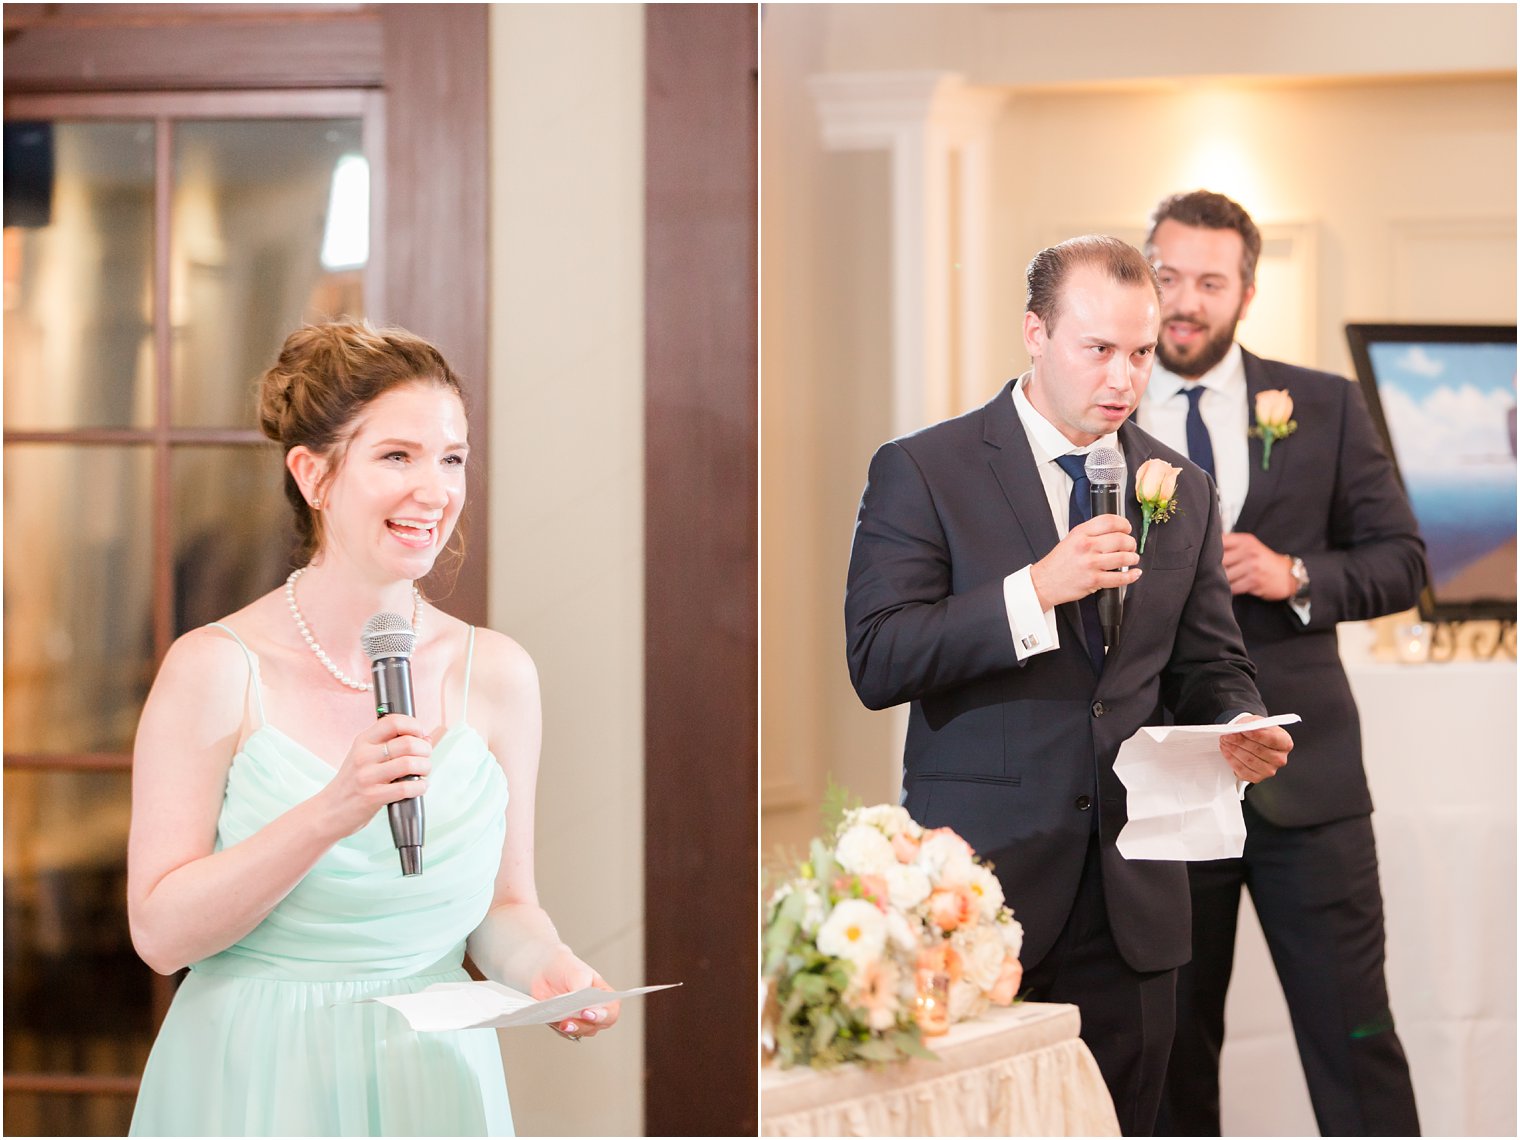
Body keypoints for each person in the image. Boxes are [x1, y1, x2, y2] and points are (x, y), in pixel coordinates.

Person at [844, 234, 1293, 1137]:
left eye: (1141, 352)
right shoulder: (924, 469)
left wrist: (1238, 722)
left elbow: (1209, 661)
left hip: (1135, 900)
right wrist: (1033, 592)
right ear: (1035, 334)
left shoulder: (1183, 488)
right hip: (979, 894)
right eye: (1098, 350)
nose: (1124, 378)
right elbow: (878, 657)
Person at [127, 322, 619, 1136]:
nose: (435, 490)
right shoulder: (213, 669)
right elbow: (160, 934)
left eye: (452, 458)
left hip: (432, 1079)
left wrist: (547, 968)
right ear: (313, 474)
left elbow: (505, 909)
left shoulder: (498, 675)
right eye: (398, 456)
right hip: (254, 1075)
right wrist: (331, 812)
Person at [1140, 190, 1425, 1136]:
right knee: (1173, 1055)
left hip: (1311, 790)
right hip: (1169, 785)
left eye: (1208, 283)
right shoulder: (1098, 405)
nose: (1184, 301)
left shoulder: (1326, 406)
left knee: (1356, 1043)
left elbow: (1404, 563)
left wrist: (1291, 571)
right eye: (1168, 276)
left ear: (1246, 293)